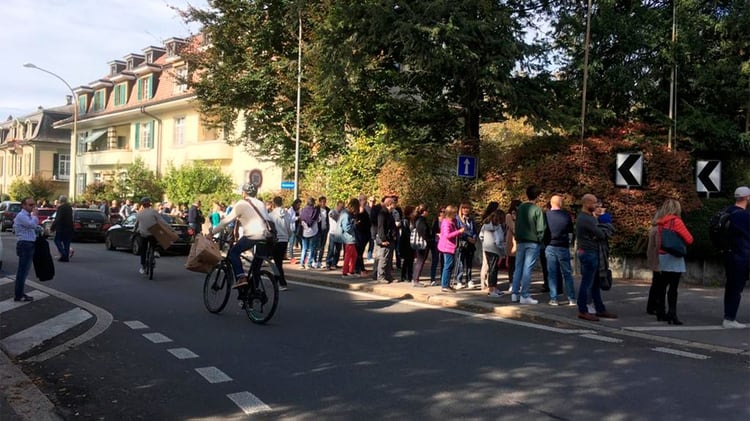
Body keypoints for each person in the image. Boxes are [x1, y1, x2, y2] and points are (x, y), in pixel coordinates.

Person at [210, 183, 271, 288]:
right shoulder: (261, 203)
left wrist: (211, 233)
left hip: (252, 236)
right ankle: (253, 294)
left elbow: (226, 221)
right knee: (256, 268)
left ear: (243, 193)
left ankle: (241, 277)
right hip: (267, 236)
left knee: (233, 252)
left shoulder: (241, 204)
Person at [646, 199, 693, 325]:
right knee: (673, 288)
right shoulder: (676, 221)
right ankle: (672, 313)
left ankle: (661, 312)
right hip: (674, 257)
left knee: (661, 287)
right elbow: (689, 239)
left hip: (662, 256)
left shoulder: (659, 223)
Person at [575, 194, 617, 321]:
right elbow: (601, 234)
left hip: (591, 252)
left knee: (595, 283)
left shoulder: (587, 217)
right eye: (594, 203)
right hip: (589, 253)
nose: (597, 206)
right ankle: (583, 310)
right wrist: (603, 230)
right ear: (587, 203)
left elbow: (599, 233)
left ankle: (600, 308)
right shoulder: (586, 219)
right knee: (587, 283)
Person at [511, 186, 546, 304]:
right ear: (537, 196)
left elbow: (516, 224)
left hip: (520, 240)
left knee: (518, 267)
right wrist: (539, 239)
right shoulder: (537, 209)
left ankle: (515, 293)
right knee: (527, 268)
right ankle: (524, 294)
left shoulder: (520, 208)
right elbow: (541, 228)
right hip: (532, 241)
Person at [722, 186, 750, 329]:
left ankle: (729, 315)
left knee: (731, 286)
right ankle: (730, 319)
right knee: (736, 288)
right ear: (747, 198)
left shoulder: (727, 211)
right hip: (743, 255)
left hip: (729, 254)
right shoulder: (744, 215)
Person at [544, 195, 577, 306]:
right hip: (563, 246)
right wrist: (569, 243)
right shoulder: (566, 215)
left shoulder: (546, 215)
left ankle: (554, 298)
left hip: (550, 245)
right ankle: (571, 298)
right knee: (567, 273)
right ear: (560, 203)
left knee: (552, 273)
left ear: (551, 203)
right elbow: (571, 232)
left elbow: (543, 230)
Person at [13, 197, 38, 302]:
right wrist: (35, 216)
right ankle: (18, 294)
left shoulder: (27, 216)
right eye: (30, 205)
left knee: (25, 270)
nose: (33, 207)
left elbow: (32, 227)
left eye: (34, 204)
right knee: (22, 271)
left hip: (28, 243)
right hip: (25, 244)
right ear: (23, 205)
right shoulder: (22, 215)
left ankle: (20, 293)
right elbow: (31, 225)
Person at [437, 205, 465, 293]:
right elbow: (447, 235)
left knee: (450, 265)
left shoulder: (453, 221)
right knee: (448, 265)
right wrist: (458, 232)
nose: (456, 214)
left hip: (452, 246)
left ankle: (447, 284)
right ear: (450, 213)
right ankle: (445, 285)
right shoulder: (446, 223)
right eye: (454, 213)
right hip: (447, 246)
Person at [481, 206, 506, 298]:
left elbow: (481, 236)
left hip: (487, 248)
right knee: (493, 270)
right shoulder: (498, 227)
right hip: (495, 249)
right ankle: (492, 289)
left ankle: (493, 288)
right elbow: (498, 240)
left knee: (491, 268)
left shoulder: (485, 225)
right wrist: (502, 249)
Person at [269, 196, 292, 291]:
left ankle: (282, 283)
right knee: (278, 262)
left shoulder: (271, 215)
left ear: (274, 203)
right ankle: (276, 279)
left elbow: (270, 229)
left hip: (276, 240)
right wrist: (288, 236)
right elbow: (289, 228)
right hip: (284, 239)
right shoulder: (287, 214)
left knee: (277, 262)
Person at [134, 197, 162, 275]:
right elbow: (161, 221)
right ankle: (155, 250)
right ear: (150, 204)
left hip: (144, 234)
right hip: (153, 233)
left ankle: (143, 266)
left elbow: (137, 224)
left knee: (143, 249)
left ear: (142, 205)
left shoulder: (139, 213)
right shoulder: (154, 211)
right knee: (157, 237)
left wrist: (134, 230)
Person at [455, 202, 478, 289]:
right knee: (460, 262)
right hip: (462, 243)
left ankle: (469, 280)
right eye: (464, 208)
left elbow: (474, 231)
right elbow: (459, 231)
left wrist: (474, 238)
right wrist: (468, 238)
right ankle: (459, 280)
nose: (466, 210)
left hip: (471, 244)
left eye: (467, 208)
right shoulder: (458, 219)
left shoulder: (471, 220)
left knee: (469, 263)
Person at [375, 197, 398, 283]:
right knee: (384, 258)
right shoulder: (382, 214)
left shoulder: (389, 213)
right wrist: (383, 239)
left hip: (390, 238)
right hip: (385, 239)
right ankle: (380, 276)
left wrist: (394, 235)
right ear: (389, 204)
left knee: (389, 259)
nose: (394, 207)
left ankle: (388, 275)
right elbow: (381, 227)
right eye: (393, 205)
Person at [411, 204, 431, 288]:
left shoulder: (417, 219)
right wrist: (428, 240)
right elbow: (423, 232)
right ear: (424, 212)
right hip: (422, 244)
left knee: (419, 261)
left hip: (419, 243)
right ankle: (415, 280)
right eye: (427, 211)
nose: (428, 213)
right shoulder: (421, 220)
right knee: (420, 261)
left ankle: (415, 279)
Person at [339, 198, 359, 277]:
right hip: (348, 238)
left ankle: (350, 271)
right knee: (349, 255)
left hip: (350, 238)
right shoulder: (346, 214)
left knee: (354, 255)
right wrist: (354, 225)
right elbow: (346, 227)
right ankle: (345, 271)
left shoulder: (346, 213)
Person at [51, 195, 74, 262]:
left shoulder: (61, 208)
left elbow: (58, 218)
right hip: (69, 228)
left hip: (61, 228)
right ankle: (65, 257)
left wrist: (53, 227)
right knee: (66, 243)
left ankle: (63, 254)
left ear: (60, 200)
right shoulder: (69, 208)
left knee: (57, 240)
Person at [299, 198, 320, 269]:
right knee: (312, 248)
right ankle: (309, 263)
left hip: (305, 232)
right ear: (313, 203)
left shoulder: (303, 210)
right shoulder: (315, 211)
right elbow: (319, 219)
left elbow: (301, 220)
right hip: (313, 232)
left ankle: (302, 263)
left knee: (304, 248)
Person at [398, 205, 416, 282]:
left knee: (411, 260)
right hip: (406, 243)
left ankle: (410, 275)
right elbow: (405, 232)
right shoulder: (405, 220)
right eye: (414, 211)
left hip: (411, 242)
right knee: (406, 260)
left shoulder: (413, 220)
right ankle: (404, 276)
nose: (415, 213)